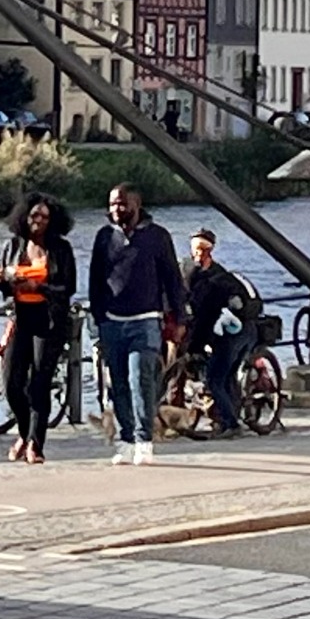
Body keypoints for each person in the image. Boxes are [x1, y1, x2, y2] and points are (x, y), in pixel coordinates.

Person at [89, 184, 186, 466]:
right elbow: (96, 279)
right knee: (118, 384)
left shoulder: (157, 236)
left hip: (145, 321)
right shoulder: (105, 237)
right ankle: (127, 440)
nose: (116, 209)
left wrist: (179, 317)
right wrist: (99, 317)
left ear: (136, 204)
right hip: (112, 322)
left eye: (122, 203)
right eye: (112, 204)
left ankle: (144, 440)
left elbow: (172, 279)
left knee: (140, 378)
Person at [0, 192, 76, 465]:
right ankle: (25, 433)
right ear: (24, 217)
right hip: (20, 317)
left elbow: (68, 288)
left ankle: (36, 445)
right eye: (34, 215)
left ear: (53, 220)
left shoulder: (61, 249)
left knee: (40, 381)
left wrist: (39, 287)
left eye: (45, 217)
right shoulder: (13, 245)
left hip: (49, 320)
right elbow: (1, 277)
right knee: (11, 382)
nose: (39, 221)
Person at [181, 228, 257, 438]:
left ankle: (231, 424)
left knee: (215, 379)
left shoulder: (215, 281)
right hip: (240, 329)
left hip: (232, 333)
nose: (198, 252)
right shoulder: (203, 273)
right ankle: (230, 416)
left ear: (210, 250)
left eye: (202, 248)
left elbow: (205, 318)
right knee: (227, 375)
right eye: (196, 248)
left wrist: (194, 347)